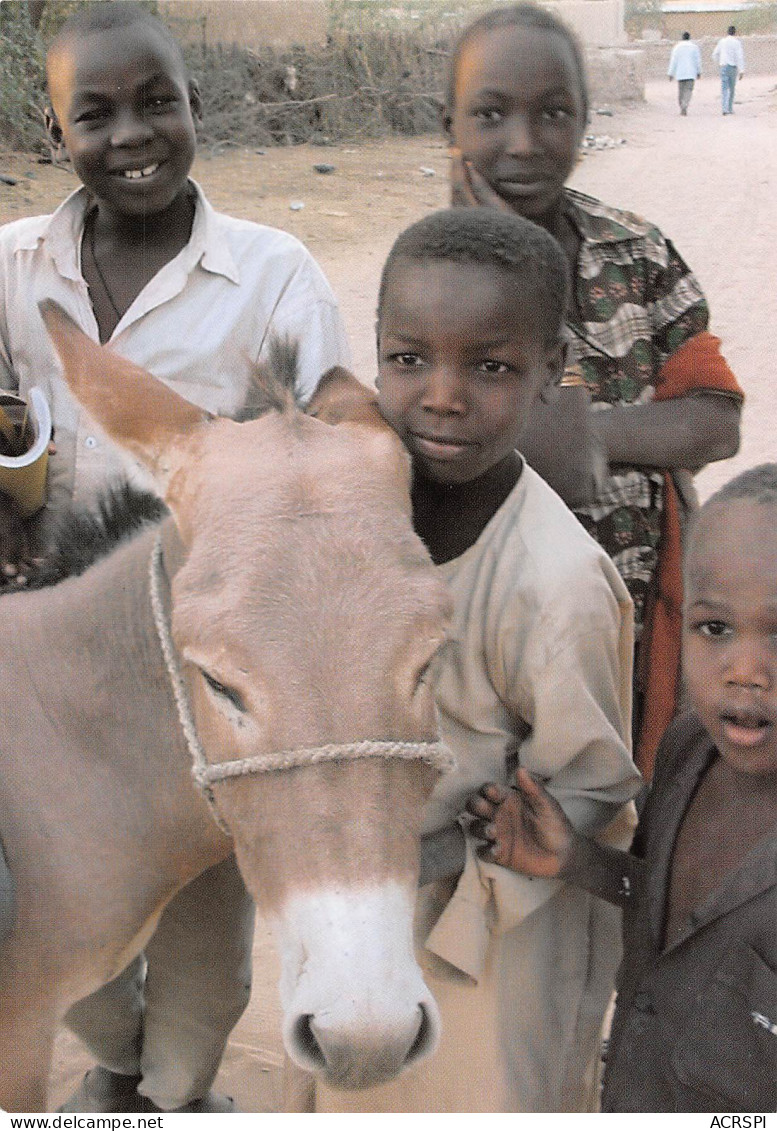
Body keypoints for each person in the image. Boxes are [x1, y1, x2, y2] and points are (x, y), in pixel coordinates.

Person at [0, 1, 350, 1113]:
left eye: (159, 101)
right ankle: (117, 1058)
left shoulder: (271, 273)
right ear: (58, 136)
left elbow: (313, 468)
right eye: (95, 114)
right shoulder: (13, 268)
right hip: (57, 668)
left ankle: (177, 1088)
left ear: (196, 106)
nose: (134, 134)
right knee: (60, 908)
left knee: (204, 927)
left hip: (209, 657)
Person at [287, 206, 641, 1113]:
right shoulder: (351, 517)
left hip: (490, 943)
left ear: (552, 369)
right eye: (409, 359)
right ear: (375, 353)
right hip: (356, 911)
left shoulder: (554, 586)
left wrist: (431, 854)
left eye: (488, 367)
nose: (441, 396)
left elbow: (589, 793)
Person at [444, 2, 743, 774]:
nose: (522, 142)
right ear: (447, 122)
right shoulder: (435, 281)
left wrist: (588, 433)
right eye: (490, 114)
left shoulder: (634, 249)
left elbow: (714, 421)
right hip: (496, 630)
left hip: (644, 617)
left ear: (583, 119)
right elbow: (548, 468)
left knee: (638, 808)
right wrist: (637, 434)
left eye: (552, 113)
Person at [468, 462, 777, 1112]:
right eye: (713, 627)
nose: (744, 671)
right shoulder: (687, 748)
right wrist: (577, 861)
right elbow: (663, 905)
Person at [713, 26, 745, 115]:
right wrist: (741, 70)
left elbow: (715, 54)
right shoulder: (737, 43)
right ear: (735, 32)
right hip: (733, 67)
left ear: (727, 32)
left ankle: (724, 108)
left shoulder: (722, 42)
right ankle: (730, 108)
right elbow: (739, 57)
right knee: (732, 88)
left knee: (724, 88)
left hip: (723, 66)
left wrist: (719, 63)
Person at [668, 32, 702, 116]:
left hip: (680, 73)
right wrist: (699, 72)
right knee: (688, 90)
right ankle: (685, 105)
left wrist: (670, 73)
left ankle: (682, 105)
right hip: (691, 73)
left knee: (681, 91)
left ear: (682, 38)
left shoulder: (677, 47)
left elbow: (673, 61)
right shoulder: (694, 47)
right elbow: (698, 61)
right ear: (689, 38)